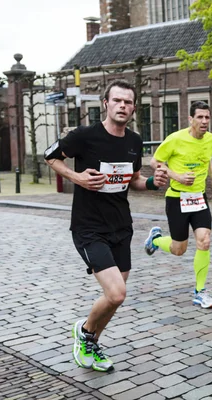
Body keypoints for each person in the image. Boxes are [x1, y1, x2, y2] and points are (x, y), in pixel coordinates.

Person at [44, 79, 168, 372]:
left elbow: (133, 180)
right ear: (106, 104)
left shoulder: (134, 141)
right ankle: (85, 331)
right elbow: (50, 157)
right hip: (89, 227)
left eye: (128, 102)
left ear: (134, 108)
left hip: (121, 226)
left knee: (115, 298)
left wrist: (152, 183)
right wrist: (78, 178)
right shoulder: (84, 136)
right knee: (116, 293)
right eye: (117, 101)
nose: (122, 106)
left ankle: (92, 345)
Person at [143, 101, 212, 308]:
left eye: (207, 117)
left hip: (199, 198)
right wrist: (175, 175)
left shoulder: (210, 139)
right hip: (177, 198)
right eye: (200, 117)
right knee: (179, 249)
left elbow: (206, 160)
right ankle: (156, 240)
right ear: (190, 119)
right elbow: (155, 161)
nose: (204, 121)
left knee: (204, 241)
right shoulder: (175, 139)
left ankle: (200, 291)